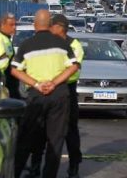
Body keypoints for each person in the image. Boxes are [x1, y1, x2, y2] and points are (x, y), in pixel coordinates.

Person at [11, 9, 78, 178]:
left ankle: (16, 172)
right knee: (55, 141)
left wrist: (37, 84)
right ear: (50, 25)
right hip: (59, 95)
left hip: (36, 96)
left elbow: (15, 70)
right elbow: (73, 66)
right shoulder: (62, 44)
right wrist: (54, 82)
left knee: (26, 138)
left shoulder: (27, 45)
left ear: (34, 25)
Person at [29, 14, 84, 178]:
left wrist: (53, 80)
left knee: (70, 132)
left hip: (66, 91)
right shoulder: (48, 42)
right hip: (44, 91)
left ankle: (73, 167)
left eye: (52, 26)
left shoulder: (74, 45)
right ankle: (35, 167)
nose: (49, 28)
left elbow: (73, 71)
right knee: (38, 131)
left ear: (60, 27)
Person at [0, 13, 21, 99]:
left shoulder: (7, 38)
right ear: (2, 25)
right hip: (6, 82)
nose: (14, 27)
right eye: (11, 25)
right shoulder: (1, 39)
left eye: (15, 24)